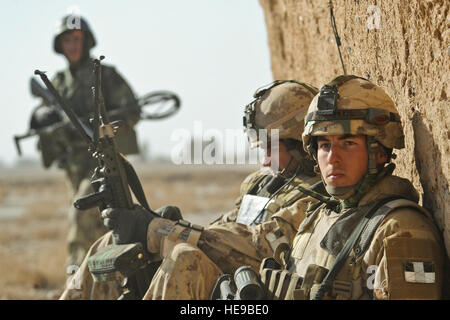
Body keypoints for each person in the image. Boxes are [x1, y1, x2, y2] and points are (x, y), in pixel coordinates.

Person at [60, 80, 324, 300]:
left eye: (270, 148)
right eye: (258, 148)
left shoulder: (316, 198)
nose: (264, 160)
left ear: (299, 142)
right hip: (227, 279)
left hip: (255, 291)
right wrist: (169, 225)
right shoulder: (262, 183)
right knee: (115, 244)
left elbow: (255, 245)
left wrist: (160, 229)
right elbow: (226, 228)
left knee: (184, 257)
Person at [256, 75, 446, 300]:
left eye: (348, 143)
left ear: (380, 152)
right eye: (325, 145)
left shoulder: (400, 230)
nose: (333, 158)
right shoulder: (317, 216)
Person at [31, 15, 141, 268]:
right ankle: (100, 281)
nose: (72, 44)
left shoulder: (105, 75)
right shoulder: (57, 82)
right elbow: (42, 121)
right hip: (73, 165)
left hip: (105, 163)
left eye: (77, 39)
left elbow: (132, 112)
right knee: (98, 224)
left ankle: (77, 279)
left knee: (85, 217)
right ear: (60, 45)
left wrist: (102, 125)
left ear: (87, 41)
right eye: (67, 40)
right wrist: (42, 118)